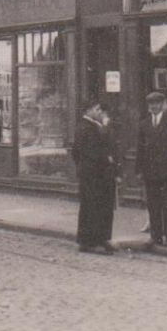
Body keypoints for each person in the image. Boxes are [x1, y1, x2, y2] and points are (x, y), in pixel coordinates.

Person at [136, 91, 167, 246]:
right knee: (153, 205)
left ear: (163, 104)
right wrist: (139, 170)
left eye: (157, 103)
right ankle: (155, 235)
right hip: (150, 171)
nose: (154, 107)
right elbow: (140, 149)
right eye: (151, 104)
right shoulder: (144, 124)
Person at [70, 102, 117, 253]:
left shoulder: (86, 126)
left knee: (92, 207)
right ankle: (94, 240)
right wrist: (107, 159)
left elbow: (75, 153)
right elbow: (93, 151)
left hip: (91, 174)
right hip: (95, 174)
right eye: (97, 109)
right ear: (89, 110)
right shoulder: (88, 128)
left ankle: (91, 240)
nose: (99, 112)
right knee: (95, 207)